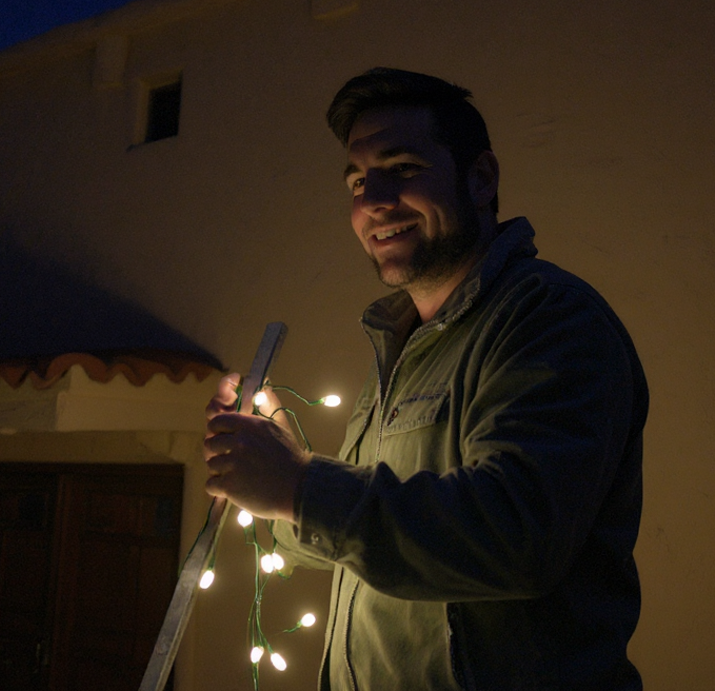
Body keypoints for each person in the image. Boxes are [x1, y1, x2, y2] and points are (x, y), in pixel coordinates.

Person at [204, 68, 648, 690]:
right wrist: (274, 468)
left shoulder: (548, 318)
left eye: (403, 166)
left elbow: (513, 535)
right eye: (358, 180)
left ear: (482, 178)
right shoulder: (403, 343)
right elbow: (359, 538)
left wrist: (299, 484)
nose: (373, 199)